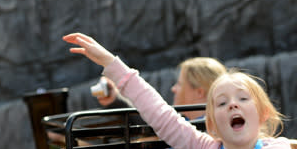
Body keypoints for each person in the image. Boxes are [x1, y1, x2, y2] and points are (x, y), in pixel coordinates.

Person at [63, 33, 297, 149]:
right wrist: (112, 64)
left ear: (264, 114)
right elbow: (161, 115)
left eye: (243, 99)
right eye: (221, 104)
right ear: (211, 124)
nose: (232, 105)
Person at [94, 56, 226, 120]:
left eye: (179, 84)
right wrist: (116, 101)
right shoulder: (187, 123)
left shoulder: (204, 131)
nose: (173, 89)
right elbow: (152, 125)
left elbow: (156, 124)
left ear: (199, 92)